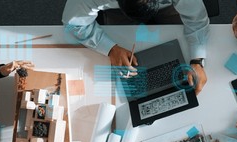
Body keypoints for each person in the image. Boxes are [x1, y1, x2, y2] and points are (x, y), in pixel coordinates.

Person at [62, 0, 209, 94]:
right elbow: (73, 23)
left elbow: (196, 20)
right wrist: (110, 48)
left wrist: (197, 60)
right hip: (118, 11)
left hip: (169, 6)